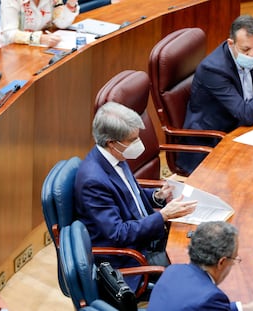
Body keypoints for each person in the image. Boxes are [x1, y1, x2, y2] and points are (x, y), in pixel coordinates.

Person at [74, 102, 197, 290]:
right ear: (111, 142)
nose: (139, 144)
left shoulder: (115, 158)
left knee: (200, 240)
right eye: (132, 140)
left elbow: (131, 197)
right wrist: (162, 216)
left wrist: (158, 196)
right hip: (129, 257)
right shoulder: (93, 181)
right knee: (195, 265)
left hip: (147, 238)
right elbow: (118, 234)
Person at [179, 15, 253, 174]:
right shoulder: (213, 69)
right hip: (213, 143)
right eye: (245, 49)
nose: (251, 55)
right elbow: (246, 115)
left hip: (244, 131)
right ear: (231, 43)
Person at [147, 221, 253, 311]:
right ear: (221, 262)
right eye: (234, 259)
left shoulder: (173, 270)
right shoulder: (209, 297)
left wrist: (244, 308)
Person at [0, 0, 80, 50]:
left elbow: (61, 22)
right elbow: (10, 34)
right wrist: (40, 38)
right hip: (9, 51)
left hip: (37, 49)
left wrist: (71, 3)